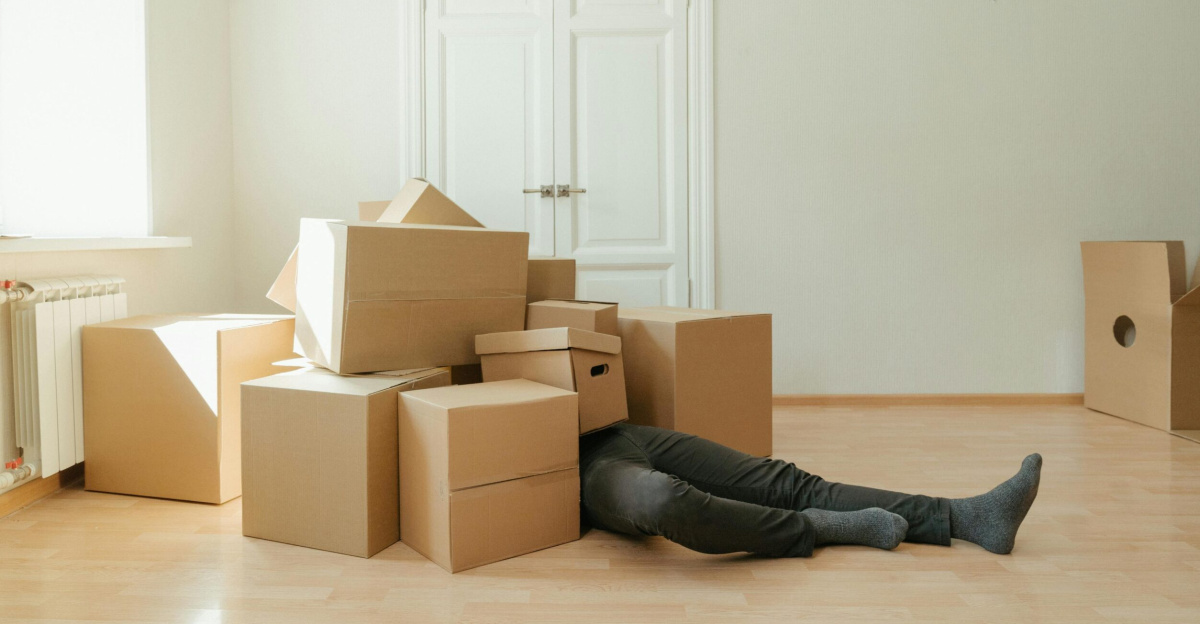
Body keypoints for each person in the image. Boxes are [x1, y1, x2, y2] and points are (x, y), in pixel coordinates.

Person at [580, 423, 1041, 557]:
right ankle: (813, 528)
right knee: (663, 499)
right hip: (576, 466)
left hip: (611, 430)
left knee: (786, 482)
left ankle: (967, 517)